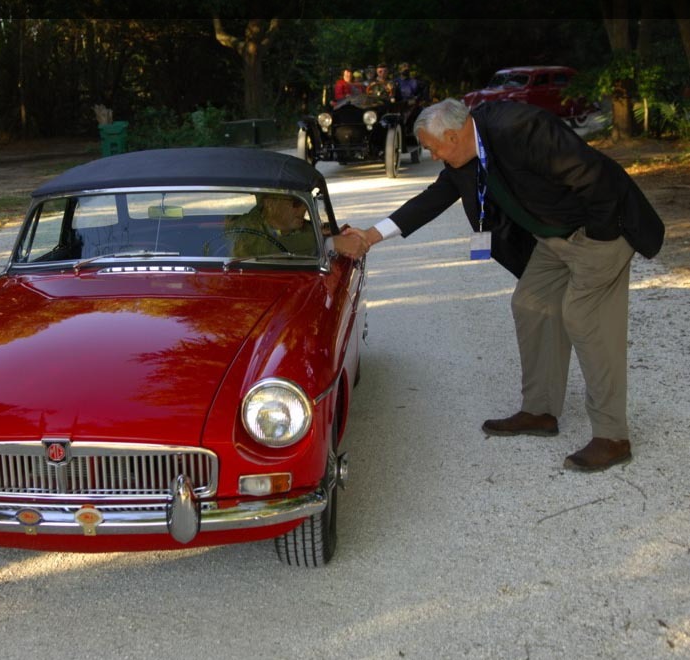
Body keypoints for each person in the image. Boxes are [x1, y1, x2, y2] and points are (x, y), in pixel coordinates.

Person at [347, 98, 665, 472]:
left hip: (601, 231)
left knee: (584, 318)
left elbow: (592, 175)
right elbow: (433, 199)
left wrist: (596, 236)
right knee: (531, 304)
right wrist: (370, 235)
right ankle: (540, 411)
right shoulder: (461, 153)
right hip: (554, 239)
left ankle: (613, 436)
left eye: (433, 147)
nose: (432, 155)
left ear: (452, 134)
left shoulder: (520, 127)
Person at [225, 193, 365, 258]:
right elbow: (261, 250)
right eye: (296, 202)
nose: (304, 208)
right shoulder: (244, 229)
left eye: (306, 202)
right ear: (270, 204)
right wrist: (329, 243)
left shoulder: (305, 228)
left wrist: (332, 236)